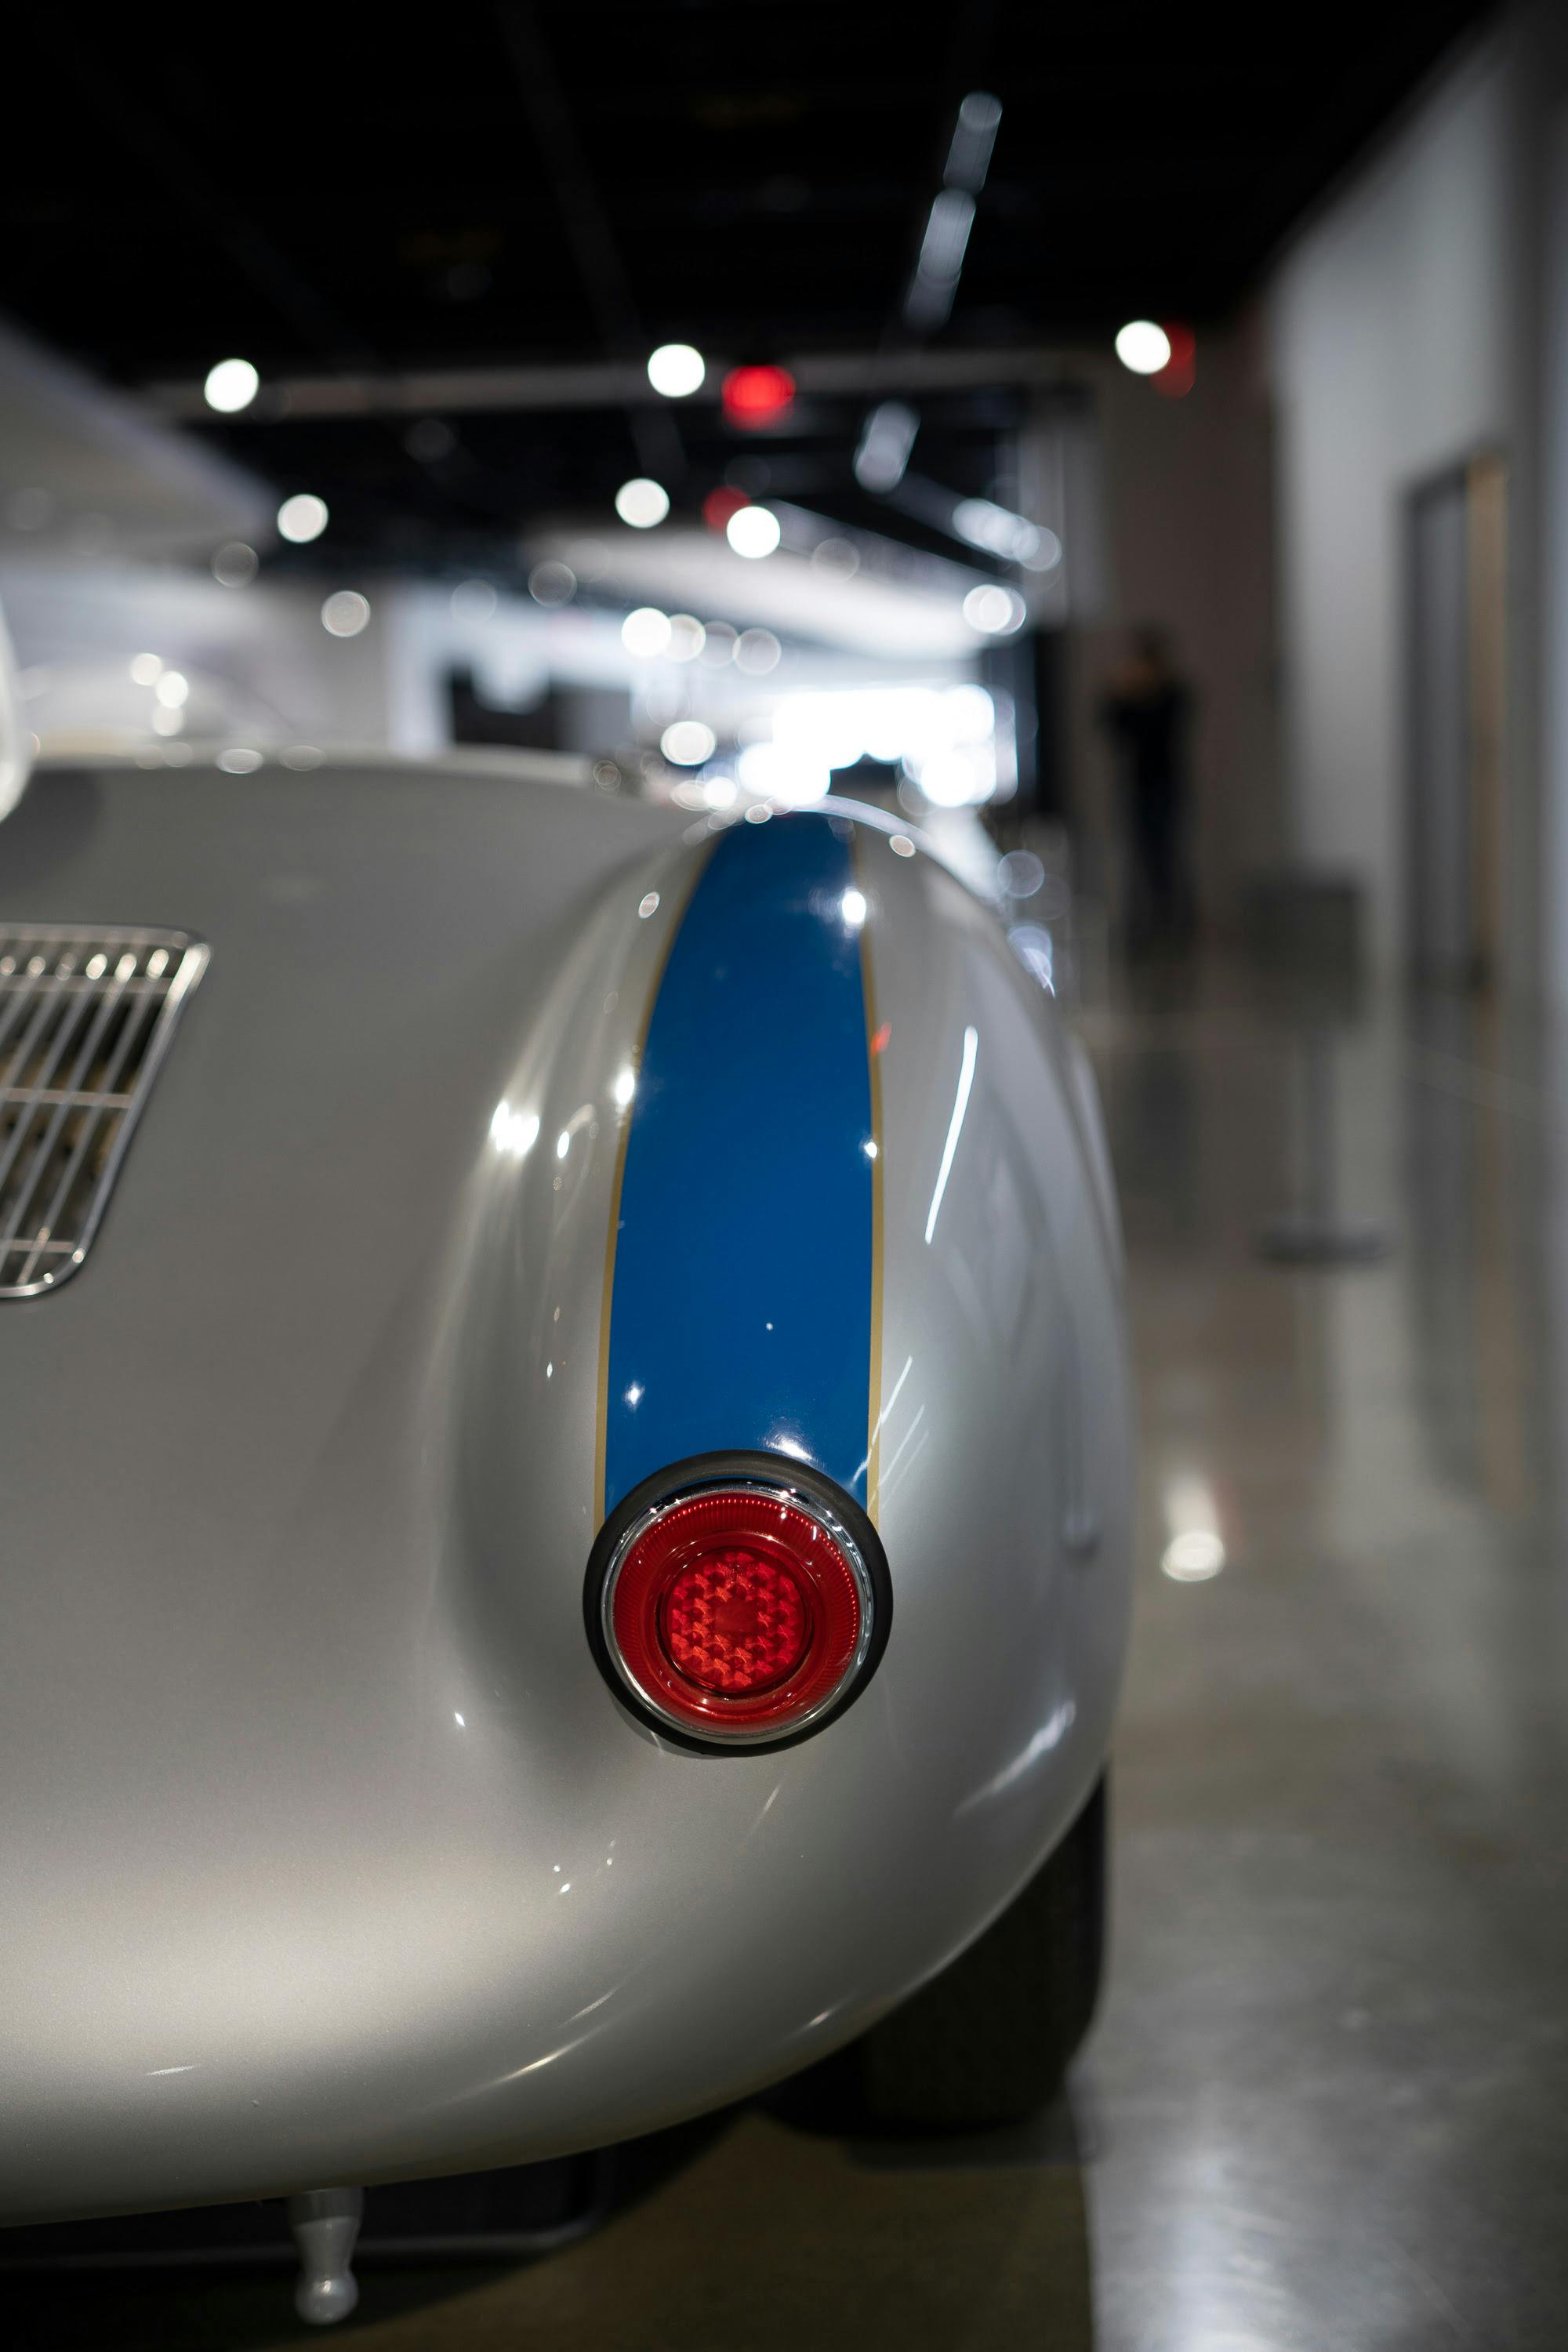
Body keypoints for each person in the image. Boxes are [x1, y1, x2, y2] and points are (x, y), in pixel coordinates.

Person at [1098, 626, 1195, 951]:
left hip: (1165, 784)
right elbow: (1110, 727)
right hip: (1138, 785)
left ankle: (1171, 924)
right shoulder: (1130, 694)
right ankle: (1143, 927)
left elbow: (1170, 725)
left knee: (1166, 856)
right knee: (1137, 856)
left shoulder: (1172, 693)